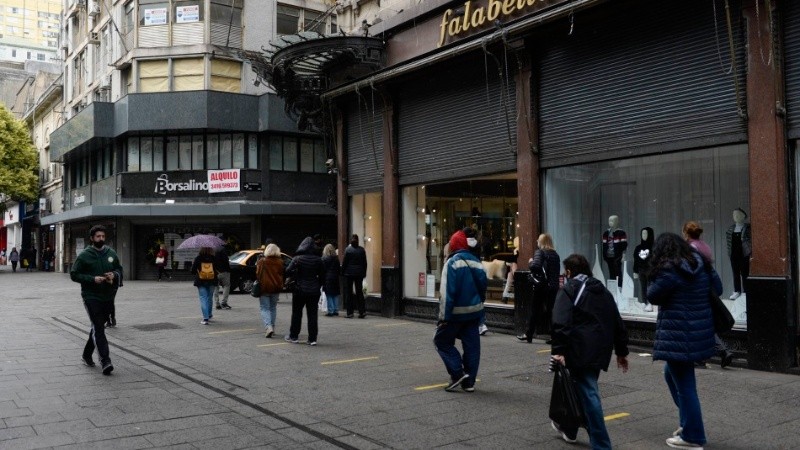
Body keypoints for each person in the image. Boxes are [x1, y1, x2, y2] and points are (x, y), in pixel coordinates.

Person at [647, 232, 721, 449]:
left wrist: (653, 273)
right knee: (671, 374)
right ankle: (688, 422)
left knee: (686, 386)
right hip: (697, 333)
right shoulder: (701, 264)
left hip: (678, 335)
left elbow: (652, 295)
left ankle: (693, 435)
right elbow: (718, 289)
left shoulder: (669, 270)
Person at [550, 254, 629, 448]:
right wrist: (621, 351)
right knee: (579, 388)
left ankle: (602, 444)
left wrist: (558, 350)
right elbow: (617, 322)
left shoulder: (569, 289)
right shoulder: (602, 291)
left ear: (569, 272)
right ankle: (570, 428)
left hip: (579, 348)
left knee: (589, 392)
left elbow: (561, 322)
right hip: (601, 349)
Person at [435, 230, 487, 392]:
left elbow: (447, 293)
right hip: (474, 312)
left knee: (441, 341)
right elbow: (482, 289)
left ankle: (457, 372)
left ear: (453, 246)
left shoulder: (452, 263)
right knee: (472, 347)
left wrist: (443, 317)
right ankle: (469, 382)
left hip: (455, 313)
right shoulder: (477, 262)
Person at [70, 225, 123, 376]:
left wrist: (113, 275)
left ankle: (87, 355)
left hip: (108, 296)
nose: (101, 239)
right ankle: (105, 361)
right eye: (98, 236)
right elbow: (74, 274)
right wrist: (93, 279)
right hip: (91, 296)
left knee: (97, 327)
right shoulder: (84, 255)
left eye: (103, 236)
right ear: (92, 238)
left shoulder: (111, 253)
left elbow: (119, 269)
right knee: (99, 327)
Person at [683, 221, 734, 369]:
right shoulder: (704, 246)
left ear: (686, 233)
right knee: (705, 323)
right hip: (708, 287)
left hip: (697, 289)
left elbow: (692, 271)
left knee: (696, 323)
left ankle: (702, 357)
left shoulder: (691, 248)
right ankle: (723, 351)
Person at [518, 233, 561, 343]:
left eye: (538, 241)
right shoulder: (555, 255)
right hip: (553, 286)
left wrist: (530, 262)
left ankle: (529, 334)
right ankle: (554, 336)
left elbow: (535, 266)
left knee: (535, 310)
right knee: (551, 311)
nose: (537, 242)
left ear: (541, 242)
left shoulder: (540, 252)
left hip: (541, 286)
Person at [284, 237, 325, 345]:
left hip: (299, 290)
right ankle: (312, 339)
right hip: (314, 291)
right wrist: (317, 285)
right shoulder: (318, 260)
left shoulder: (297, 259)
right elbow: (322, 276)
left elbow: (287, 271)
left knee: (297, 313)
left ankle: (294, 336)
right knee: (312, 315)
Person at [463, 227, 489, 335]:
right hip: (478, 269)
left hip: (467, 271)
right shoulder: (477, 244)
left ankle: (475, 323)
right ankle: (481, 324)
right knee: (478, 298)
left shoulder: (464, 244)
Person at [256, 243, 285, 338]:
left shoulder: (262, 261)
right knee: (273, 308)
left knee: (265, 308)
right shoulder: (280, 262)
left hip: (265, 287)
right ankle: (272, 326)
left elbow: (258, 274)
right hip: (276, 287)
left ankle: (268, 327)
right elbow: (282, 274)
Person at [725, 208, 751, 300]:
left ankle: (745, 291)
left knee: (745, 273)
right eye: (734, 215)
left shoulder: (748, 228)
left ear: (743, 216)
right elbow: (729, 243)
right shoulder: (730, 229)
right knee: (735, 273)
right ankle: (737, 291)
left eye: (738, 214)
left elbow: (750, 241)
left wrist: (749, 252)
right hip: (734, 254)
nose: (735, 216)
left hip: (744, 254)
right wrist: (730, 254)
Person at [341, 234, 368, 319]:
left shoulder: (348, 250)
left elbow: (344, 263)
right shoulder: (362, 250)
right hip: (359, 273)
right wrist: (364, 273)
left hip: (349, 274)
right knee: (359, 292)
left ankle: (350, 313)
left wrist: (342, 272)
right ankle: (362, 311)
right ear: (358, 240)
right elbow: (365, 263)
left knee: (349, 293)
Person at [191, 247, 218, 325]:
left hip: (201, 281)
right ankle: (209, 314)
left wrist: (194, 265)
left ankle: (205, 318)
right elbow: (218, 268)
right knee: (209, 298)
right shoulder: (214, 258)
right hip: (212, 281)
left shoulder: (198, 258)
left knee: (203, 298)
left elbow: (192, 271)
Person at [602, 215, 627, 289]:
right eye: (609, 221)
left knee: (618, 272)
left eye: (612, 221)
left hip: (617, 256)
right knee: (611, 272)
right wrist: (605, 255)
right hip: (609, 256)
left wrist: (623, 255)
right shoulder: (606, 233)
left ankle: (619, 288)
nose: (610, 222)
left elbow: (624, 245)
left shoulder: (621, 233)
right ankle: (613, 289)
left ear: (617, 222)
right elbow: (604, 245)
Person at [632, 227, 655, 312]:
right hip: (641, 270)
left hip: (650, 271)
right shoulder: (638, 248)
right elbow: (635, 260)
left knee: (650, 287)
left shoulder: (654, 247)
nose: (643, 235)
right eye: (642, 234)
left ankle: (650, 303)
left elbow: (656, 260)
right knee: (643, 287)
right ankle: (644, 302)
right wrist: (635, 271)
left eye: (645, 234)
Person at [321, 244, 341, 317]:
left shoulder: (324, 259)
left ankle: (331, 310)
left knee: (329, 294)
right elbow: (339, 269)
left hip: (327, 278)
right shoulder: (336, 258)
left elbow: (322, 270)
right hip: (335, 278)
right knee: (335, 294)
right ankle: (336, 310)